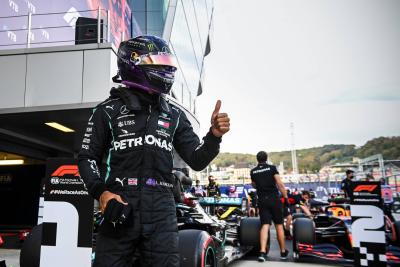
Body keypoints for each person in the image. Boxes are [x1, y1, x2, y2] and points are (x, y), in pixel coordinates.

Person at [78, 35, 230, 267]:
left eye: (167, 65)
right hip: (120, 206)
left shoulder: (174, 115)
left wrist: (214, 136)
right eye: (158, 64)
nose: (166, 70)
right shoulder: (107, 111)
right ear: (133, 63)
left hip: (162, 210)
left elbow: (197, 159)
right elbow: (87, 158)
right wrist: (102, 193)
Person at [250, 151, 289, 262]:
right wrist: (285, 198)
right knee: (279, 225)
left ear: (257, 159)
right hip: (273, 199)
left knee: (265, 225)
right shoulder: (272, 168)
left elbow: (254, 185)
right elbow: (280, 184)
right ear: (266, 158)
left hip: (262, 200)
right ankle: (282, 252)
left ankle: (262, 252)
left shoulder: (253, 171)